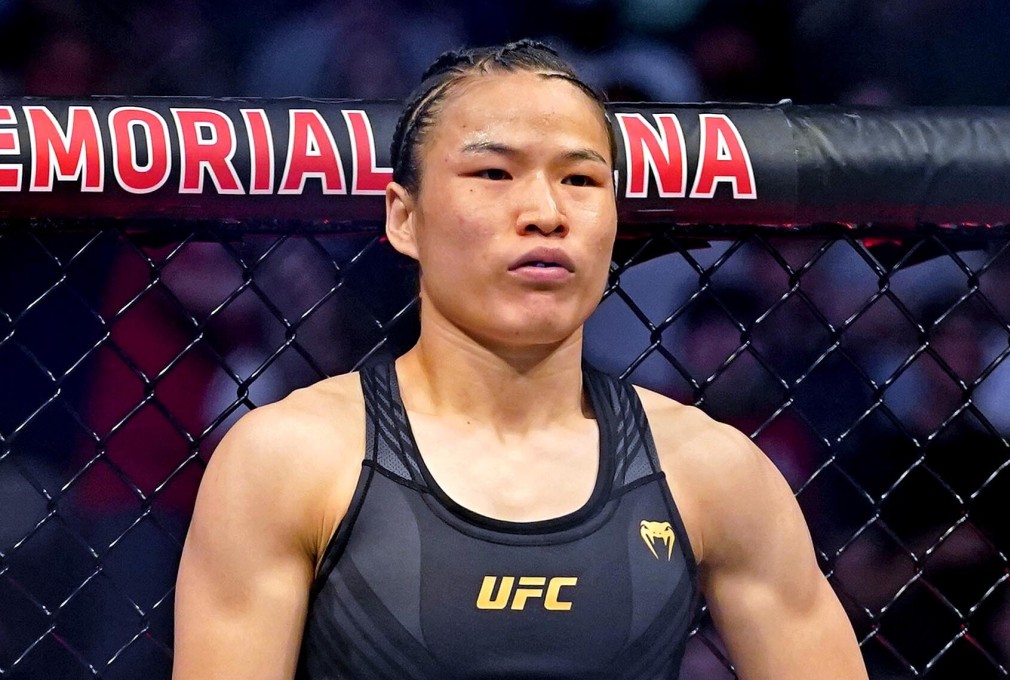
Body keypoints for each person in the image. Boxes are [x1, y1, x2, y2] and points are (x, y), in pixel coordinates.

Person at [172, 40, 868, 679]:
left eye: (581, 180)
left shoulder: (712, 470)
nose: (545, 211)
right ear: (404, 219)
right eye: (494, 172)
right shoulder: (288, 459)